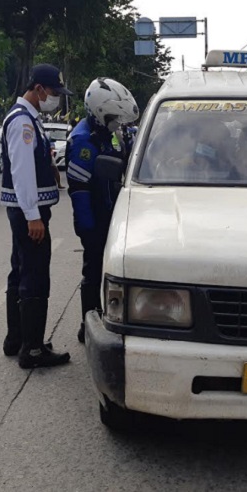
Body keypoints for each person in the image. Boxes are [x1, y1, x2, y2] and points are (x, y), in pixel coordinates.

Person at [0, 63, 72, 369]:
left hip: (26, 209)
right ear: (39, 89)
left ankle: (16, 339)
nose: (55, 98)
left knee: (20, 270)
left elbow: (34, 161)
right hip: (28, 211)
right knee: (35, 275)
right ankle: (32, 349)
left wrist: (51, 167)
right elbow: (22, 172)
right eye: (54, 92)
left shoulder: (30, 119)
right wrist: (33, 216)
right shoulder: (23, 122)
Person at [67, 77, 139, 343]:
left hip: (113, 216)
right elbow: (79, 189)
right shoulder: (83, 141)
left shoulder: (106, 135)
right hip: (96, 220)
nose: (118, 124)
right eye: (114, 118)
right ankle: (87, 326)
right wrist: (89, 229)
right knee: (93, 272)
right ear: (100, 111)